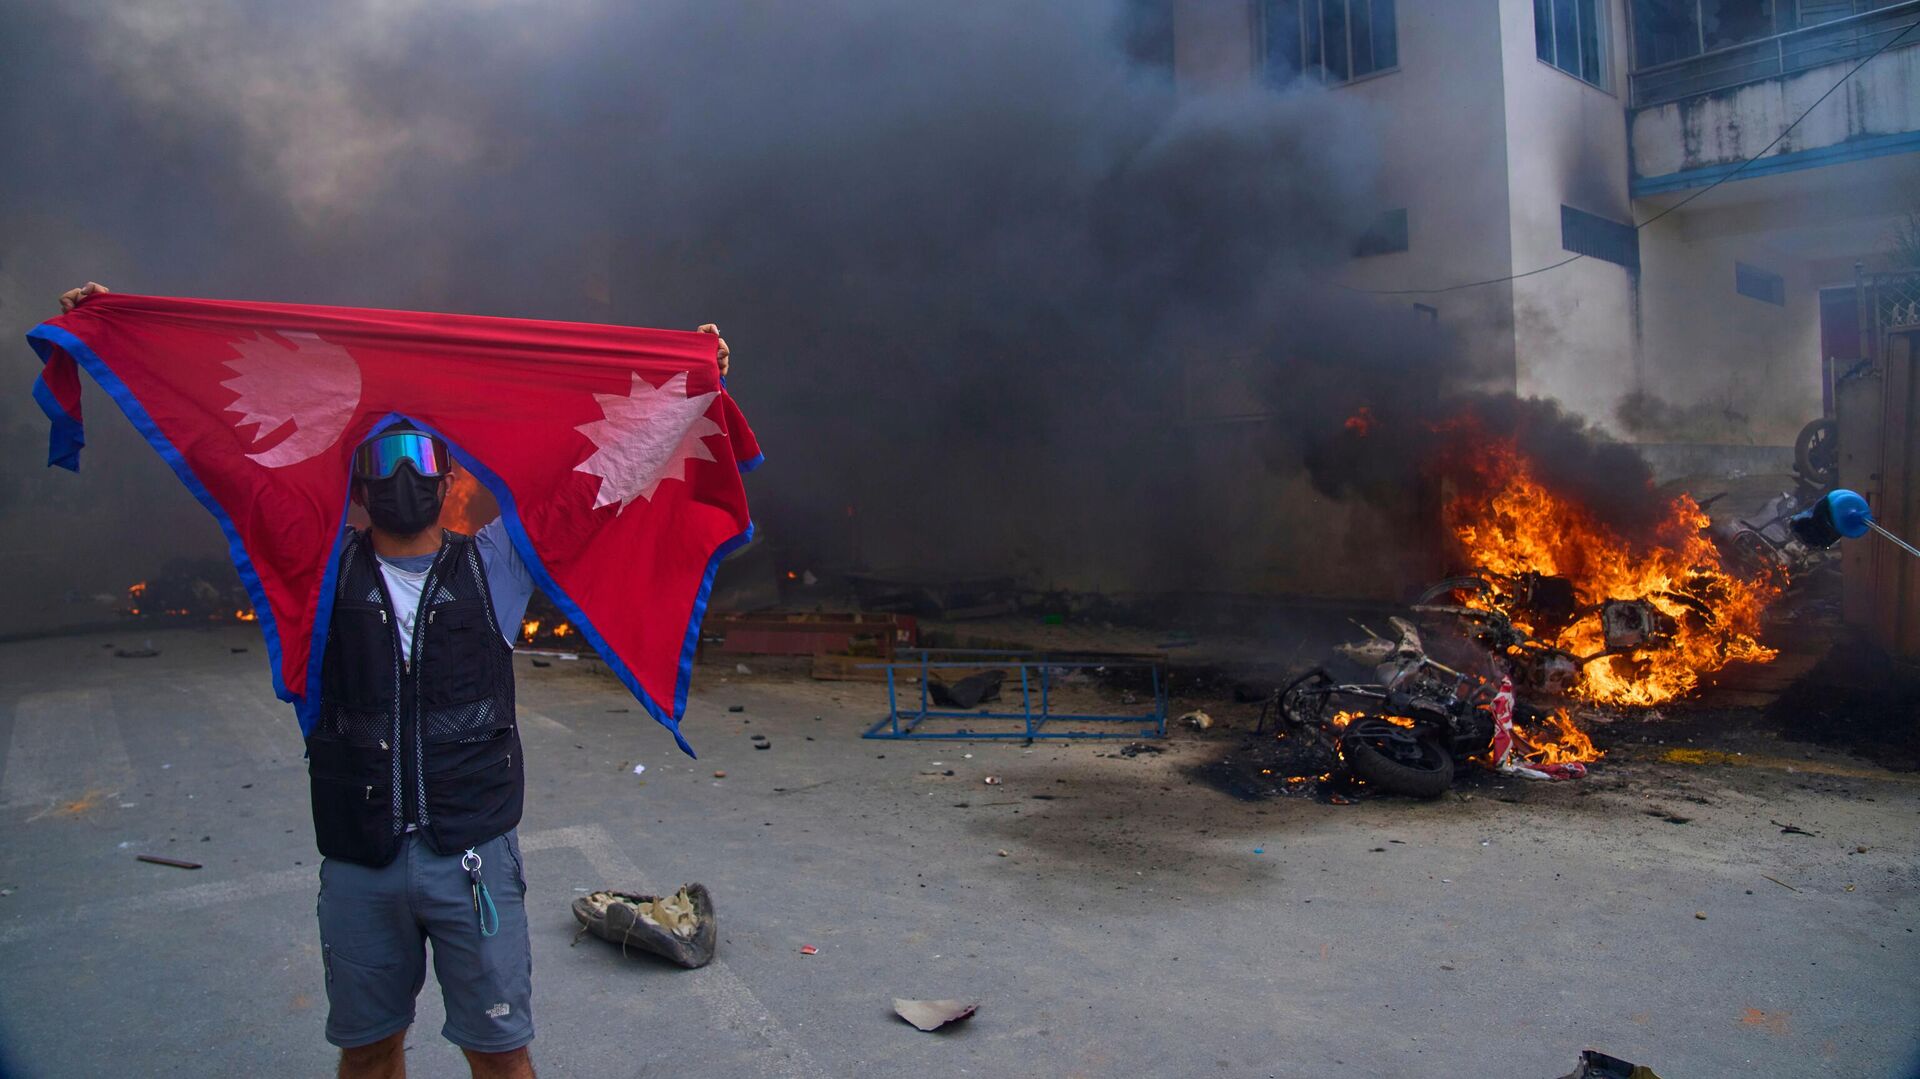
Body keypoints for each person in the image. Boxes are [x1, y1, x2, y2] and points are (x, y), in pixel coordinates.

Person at [58, 282, 730, 1079]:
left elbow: (596, 478)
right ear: (357, 484)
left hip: (471, 856)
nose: (403, 473)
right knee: (370, 1052)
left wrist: (686, 380)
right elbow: (221, 454)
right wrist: (115, 332)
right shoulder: (317, 569)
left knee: (501, 1055)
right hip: (361, 860)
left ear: (449, 479)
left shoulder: (496, 564)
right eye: (383, 459)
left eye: (420, 457)